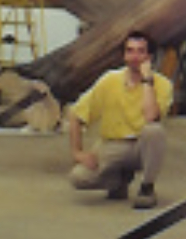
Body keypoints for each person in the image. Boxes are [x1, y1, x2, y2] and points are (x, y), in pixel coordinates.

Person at [68, 30, 173, 209]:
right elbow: (76, 114)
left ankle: (147, 188)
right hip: (113, 144)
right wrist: (77, 152)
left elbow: (151, 116)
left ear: (149, 57)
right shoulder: (109, 80)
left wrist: (147, 81)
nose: (135, 57)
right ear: (124, 56)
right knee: (78, 177)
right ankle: (118, 181)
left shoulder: (163, 85)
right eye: (130, 51)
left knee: (154, 131)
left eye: (141, 51)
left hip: (142, 145)